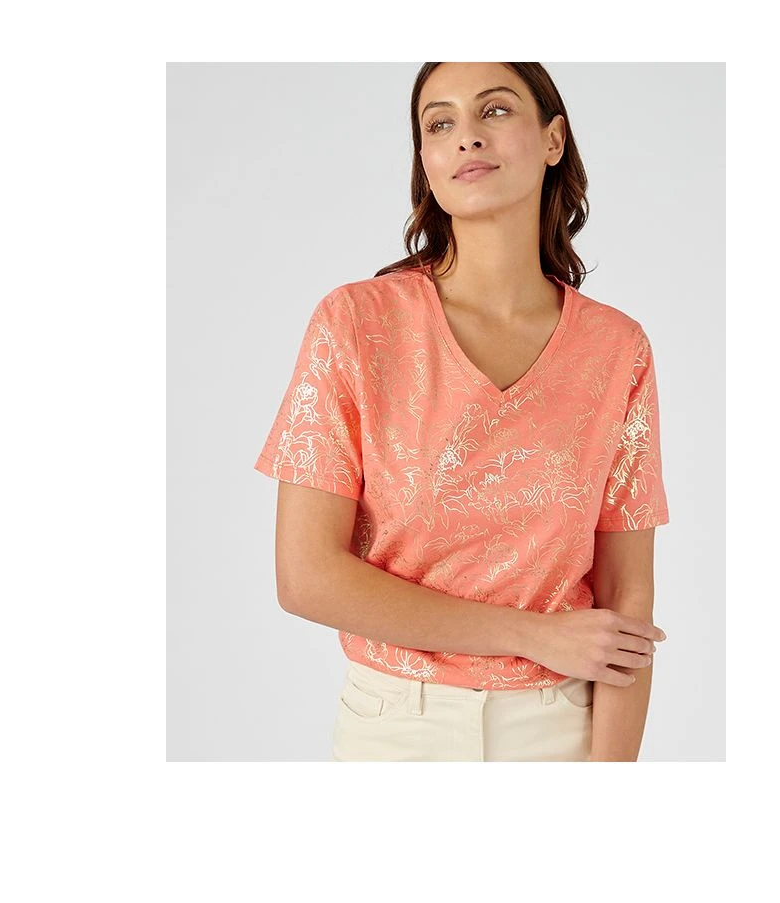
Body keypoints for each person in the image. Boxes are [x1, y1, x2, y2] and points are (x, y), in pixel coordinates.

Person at [253, 62, 669, 761]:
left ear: (553, 140)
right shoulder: (356, 324)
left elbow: (627, 598)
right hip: (395, 728)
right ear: (426, 160)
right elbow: (306, 577)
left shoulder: (615, 348)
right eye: (440, 123)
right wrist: (531, 634)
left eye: (495, 110)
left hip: (561, 730)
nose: (467, 137)